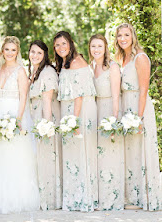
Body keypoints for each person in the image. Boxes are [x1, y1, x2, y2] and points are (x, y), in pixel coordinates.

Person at [0, 36, 40, 214]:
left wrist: (18, 119)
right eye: (6, 49)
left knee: (16, 155)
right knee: (0, 155)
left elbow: (23, 96)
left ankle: (17, 198)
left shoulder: (21, 71)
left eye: (13, 50)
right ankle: (1, 197)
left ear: (17, 52)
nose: (9, 53)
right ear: (2, 51)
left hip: (15, 112)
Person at [115, 23, 161, 211]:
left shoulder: (141, 58)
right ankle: (132, 197)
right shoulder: (123, 58)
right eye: (119, 35)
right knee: (130, 152)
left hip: (138, 106)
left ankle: (144, 197)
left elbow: (143, 90)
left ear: (133, 36)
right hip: (126, 104)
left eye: (126, 35)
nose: (123, 38)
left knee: (140, 151)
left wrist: (138, 118)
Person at [54, 31, 98, 212]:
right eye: (57, 45)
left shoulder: (77, 62)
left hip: (79, 111)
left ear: (70, 43)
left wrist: (75, 121)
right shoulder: (65, 63)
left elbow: (79, 95)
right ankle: (73, 198)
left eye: (63, 43)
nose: (60, 47)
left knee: (80, 153)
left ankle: (84, 198)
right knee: (72, 155)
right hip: (69, 111)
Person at [89, 34, 124, 210]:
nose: (96, 50)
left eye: (99, 46)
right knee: (98, 156)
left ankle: (112, 198)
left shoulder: (112, 67)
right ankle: (99, 197)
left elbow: (116, 96)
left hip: (109, 108)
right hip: (95, 111)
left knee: (110, 154)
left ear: (105, 48)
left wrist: (113, 120)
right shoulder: (90, 66)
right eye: (93, 46)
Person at [29, 40, 62, 210]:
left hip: (44, 116)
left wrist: (47, 125)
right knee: (37, 157)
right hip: (35, 116)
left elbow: (47, 100)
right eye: (32, 52)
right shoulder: (33, 71)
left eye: (39, 53)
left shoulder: (47, 72)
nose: (35, 56)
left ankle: (49, 198)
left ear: (45, 55)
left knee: (46, 155)